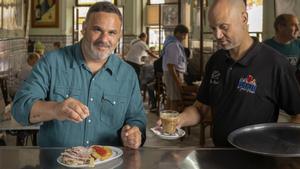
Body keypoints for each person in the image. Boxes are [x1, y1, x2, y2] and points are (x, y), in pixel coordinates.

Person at [158, 0, 300, 147]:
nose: (218, 35)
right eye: (213, 28)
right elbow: (201, 108)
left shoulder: (275, 64)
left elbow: (297, 114)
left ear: (243, 18)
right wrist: (180, 119)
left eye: (224, 27)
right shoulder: (216, 60)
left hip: (258, 159)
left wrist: (282, 147)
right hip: (220, 155)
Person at [12, 2, 146, 149]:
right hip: (56, 164)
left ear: (119, 35)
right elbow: (20, 109)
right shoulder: (51, 63)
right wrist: (56, 109)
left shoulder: (127, 75)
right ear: (84, 29)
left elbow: (137, 120)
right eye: (97, 30)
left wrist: (134, 134)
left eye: (112, 32)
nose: (104, 39)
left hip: (109, 164)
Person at [264, 14, 300, 82]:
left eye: (298, 25)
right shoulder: (265, 47)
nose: (298, 29)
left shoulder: (298, 44)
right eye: (293, 25)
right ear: (280, 27)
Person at [162, 24, 189, 110]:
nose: (184, 37)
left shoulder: (175, 44)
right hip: (173, 74)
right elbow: (171, 66)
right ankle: (170, 122)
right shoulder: (173, 45)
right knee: (174, 100)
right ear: (177, 33)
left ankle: (165, 121)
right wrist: (178, 81)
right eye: (183, 34)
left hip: (173, 73)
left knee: (171, 99)